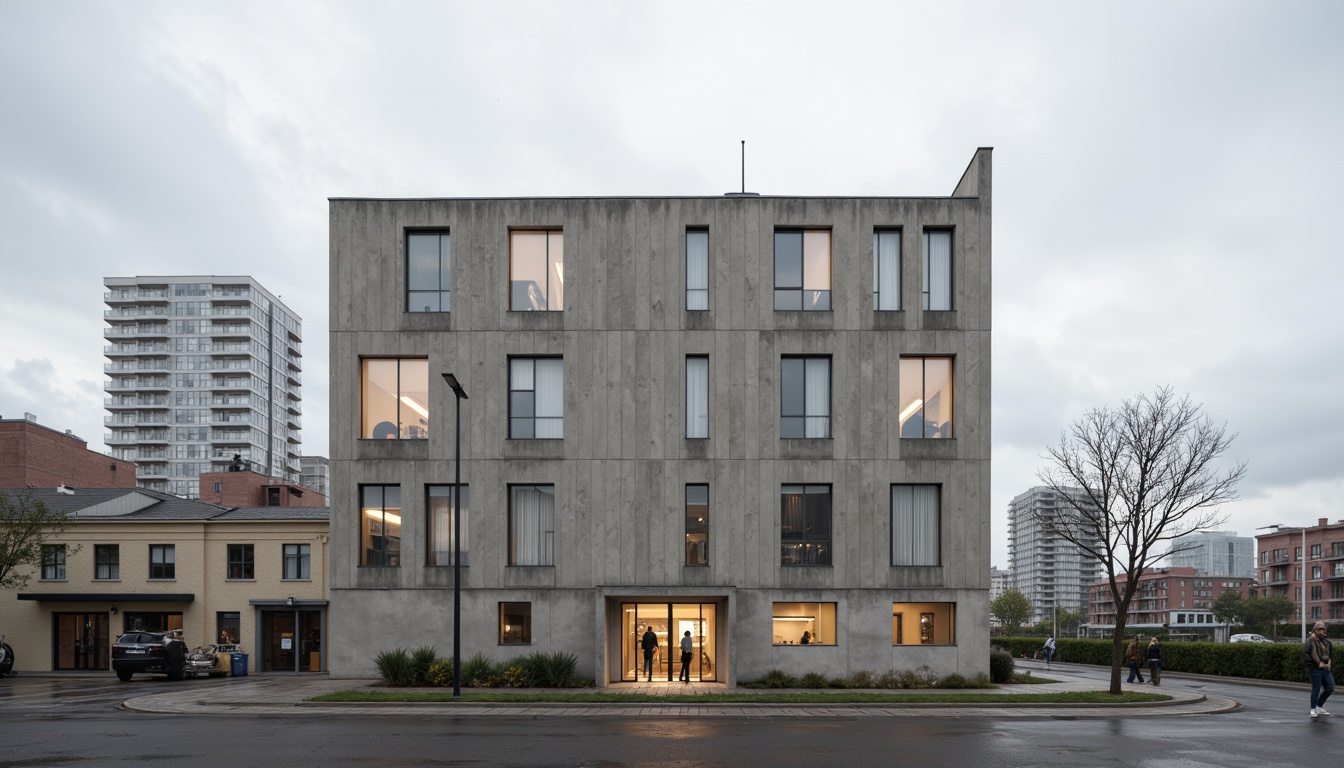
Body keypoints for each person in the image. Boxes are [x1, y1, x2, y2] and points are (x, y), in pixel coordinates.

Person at [1305, 620, 1334, 717]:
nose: (1322, 631)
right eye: (1320, 630)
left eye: (1324, 630)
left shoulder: (1326, 641)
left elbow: (1330, 654)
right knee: (1316, 689)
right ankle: (1313, 709)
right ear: (1315, 630)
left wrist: (1329, 662)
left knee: (1330, 687)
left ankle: (1319, 706)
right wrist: (1316, 664)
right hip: (1315, 669)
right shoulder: (1310, 641)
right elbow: (1306, 654)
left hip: (1326, 669)